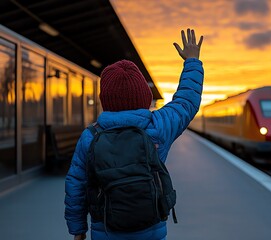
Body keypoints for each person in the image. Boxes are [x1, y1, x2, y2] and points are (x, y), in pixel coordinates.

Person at [64, 28, 204, 240]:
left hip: (106, 231)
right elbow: (186, 101)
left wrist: (78, 229)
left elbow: (76, 183)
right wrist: (192, 61)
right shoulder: (158, 126)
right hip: (151, 230)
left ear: (105, 100)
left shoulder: (90, 136)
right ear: (145, 97)